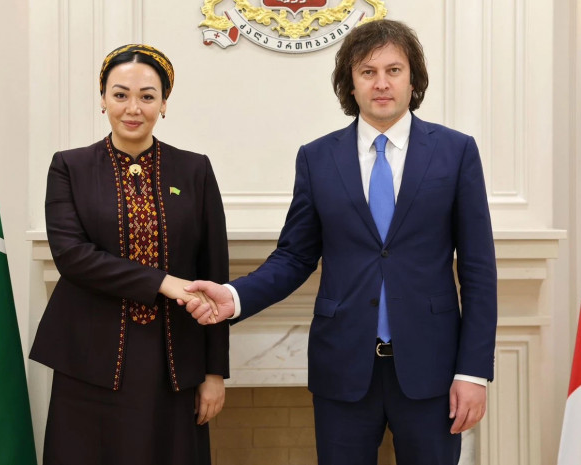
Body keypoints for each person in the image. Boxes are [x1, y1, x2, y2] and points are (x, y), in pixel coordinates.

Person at [182, 20, 497, 465]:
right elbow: (294, 257)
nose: (381, 83)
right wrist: (234, 297)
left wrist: (473, 372)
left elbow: (479, 270)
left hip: (434, 370)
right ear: (350, 83)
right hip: (342, 368)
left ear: (413, 79)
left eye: (393, 70)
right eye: (368, 71)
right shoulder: (317, 158)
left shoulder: (456, 151)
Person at [29, 44, 229, 465]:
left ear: (164, 103)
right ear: (103, 99)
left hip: (173, 362)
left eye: (147, 96)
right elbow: (72, 256)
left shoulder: (194, 169)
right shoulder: (69, 167)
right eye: (120, 94)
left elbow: (214, 274)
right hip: (89, 360)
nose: (133, 108)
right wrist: (163, 282)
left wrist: (214, 373)